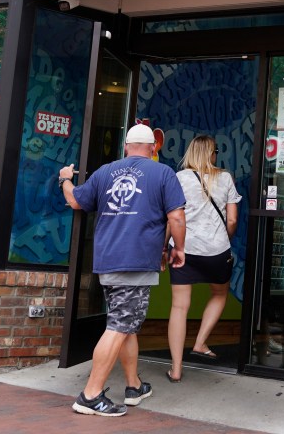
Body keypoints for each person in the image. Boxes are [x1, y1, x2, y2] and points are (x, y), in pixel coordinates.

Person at [59, 123, 186, 417]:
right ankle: (90, 395)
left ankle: (133, 386)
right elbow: (176, 217)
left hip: (108, 260)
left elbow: (75, 200)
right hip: (137, 260)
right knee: (118, 326)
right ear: (152, 148)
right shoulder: (163, 173)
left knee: (125, 323)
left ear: (126, 147)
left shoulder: (105, 172)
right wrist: (178, 248)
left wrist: (65, 179)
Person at [166, 134, 240, 382]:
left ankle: (176, 369)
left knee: (179, 307)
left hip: (184, 248)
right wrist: (223, 238)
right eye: (215, 150)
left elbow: (172, 217)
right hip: (216, 250)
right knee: (219, 293)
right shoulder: (226, 178)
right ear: (211, 153)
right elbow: (232, 220)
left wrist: (165, 246)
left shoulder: (179, 178)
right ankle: (199, 343)